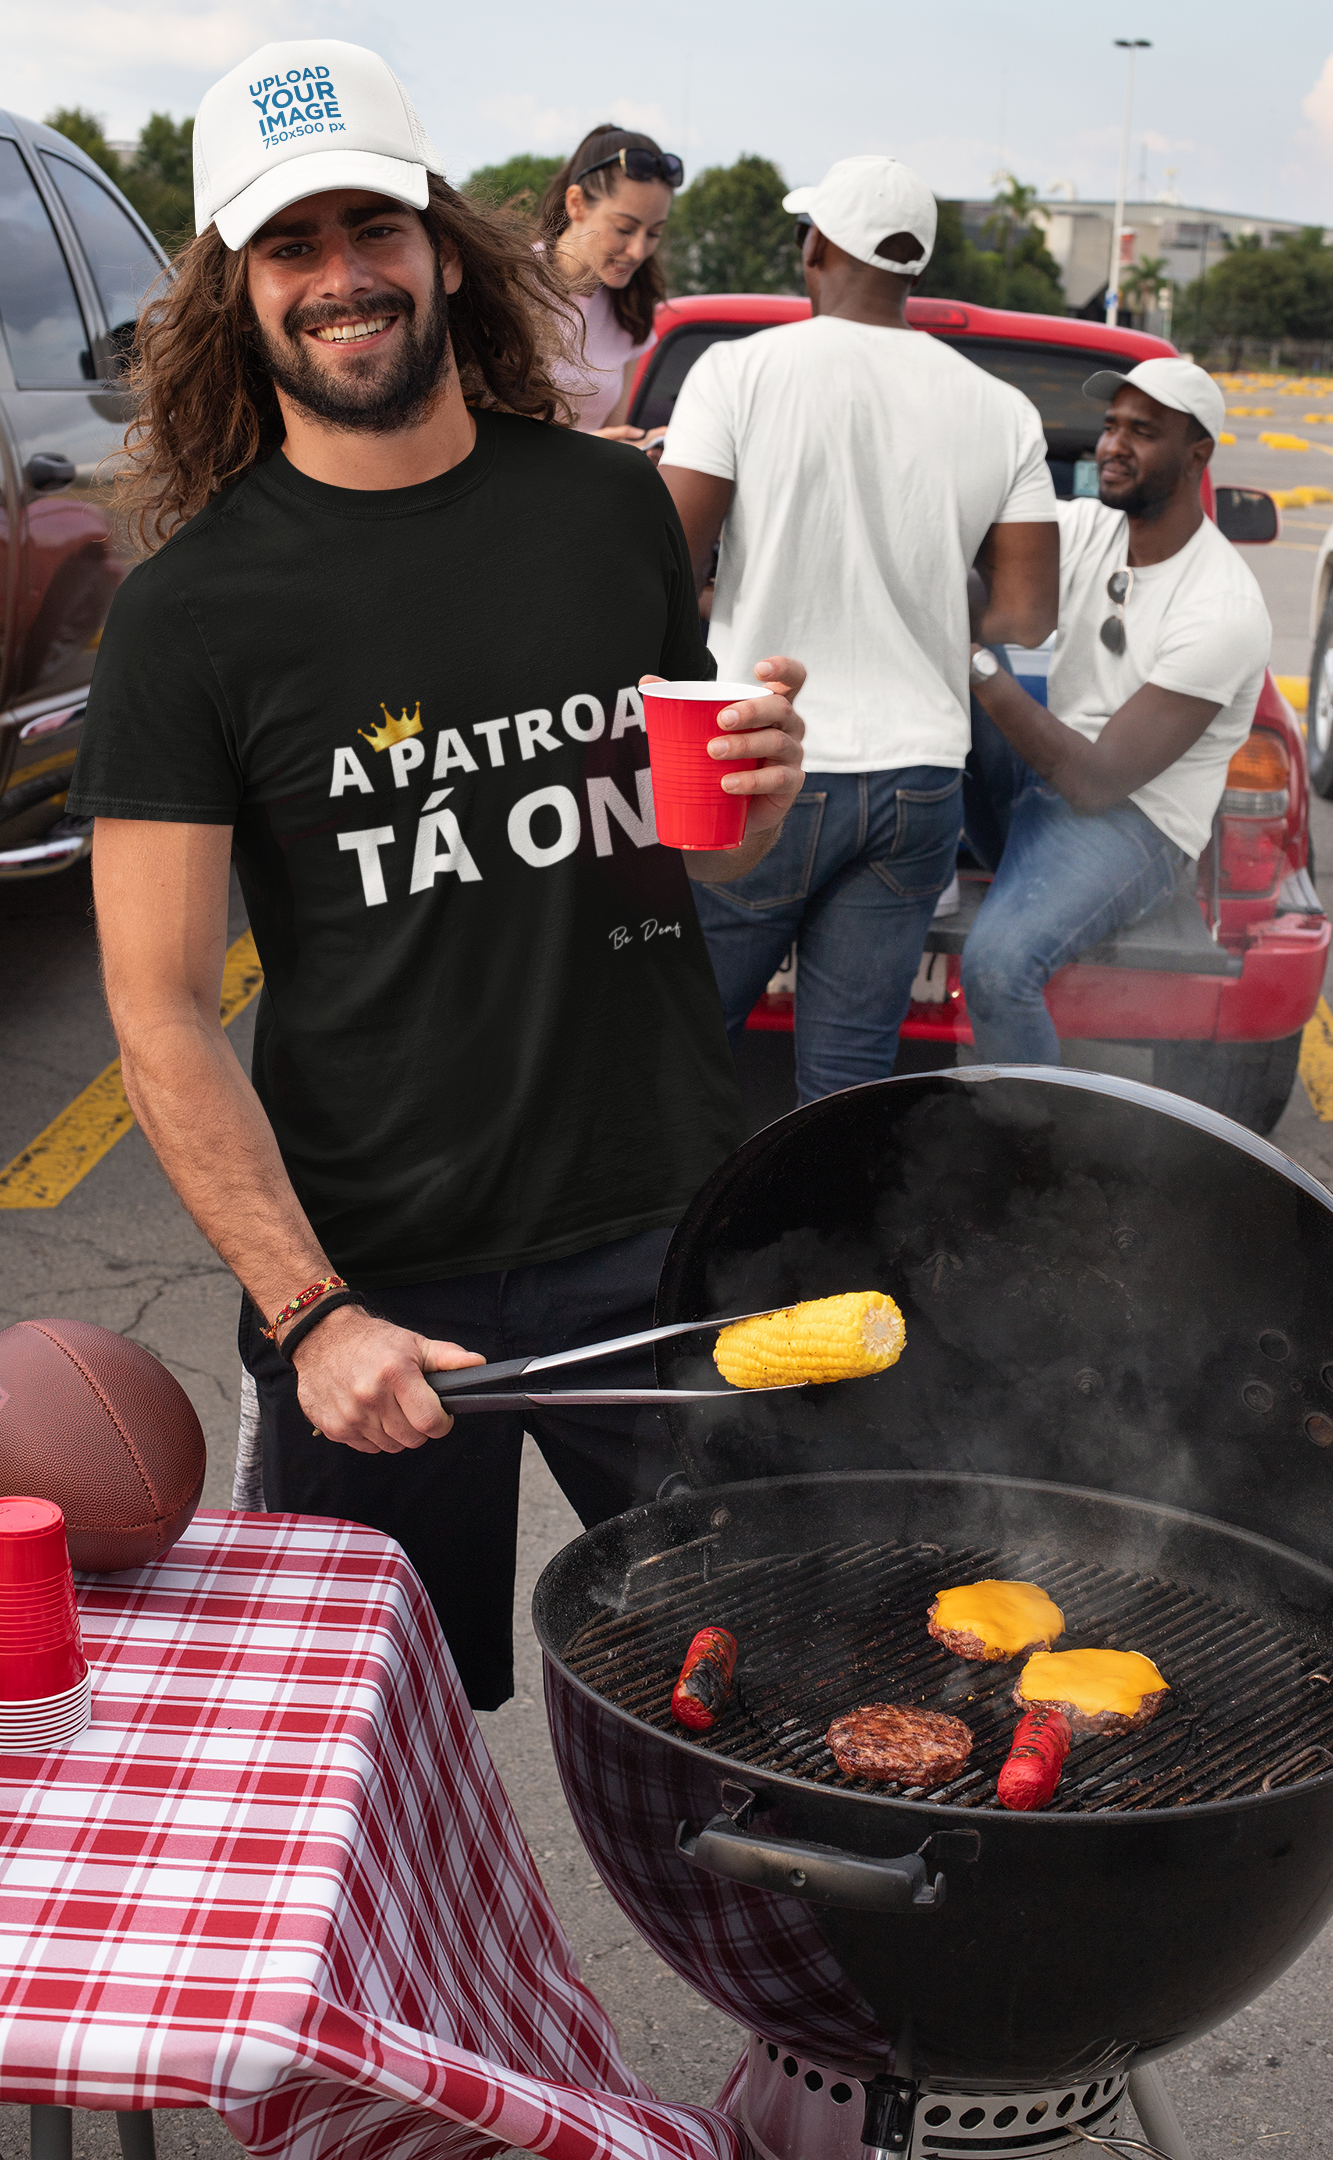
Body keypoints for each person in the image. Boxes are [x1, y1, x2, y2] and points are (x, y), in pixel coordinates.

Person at [66, 38, 804, 1712]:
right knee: (363, 1742)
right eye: (289, 247)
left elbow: (697, 843)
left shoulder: (612, 515)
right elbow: (159, 1013)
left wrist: (758, 797)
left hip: (664, 1234)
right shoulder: (191, 617)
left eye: (369, 229)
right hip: (377, 1280)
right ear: (236, 291)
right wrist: (309, 1309)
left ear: (442, 245)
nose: (340, 279)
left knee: (753, 1691)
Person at [659, 156, 1058, 1105]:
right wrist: (916, 595)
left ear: (820, 248)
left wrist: (723, 601)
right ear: (911, 267)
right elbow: (1026, 614)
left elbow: (664, 562)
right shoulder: (1001, 410)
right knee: (847, 1082)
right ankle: (822, 1252)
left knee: (679, 1045)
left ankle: (662, 1248)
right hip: (922, 781)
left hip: (768, 769)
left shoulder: (740, 372)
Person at [960, 357, 1272, 1064]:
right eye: (1109, 427)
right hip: (1040, 790)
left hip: (1132, 824)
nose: (1112, 446)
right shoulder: (1087, 529)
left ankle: (1025, 1159)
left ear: (1197, 455)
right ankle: (892, 859)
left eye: (1142, 431)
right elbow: (972, 552)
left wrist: (972, 659)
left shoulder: (1221, 608)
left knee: (999, 970)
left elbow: (1098, 782)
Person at [538, 125, 682, 444]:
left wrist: (636, 448)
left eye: (655, 233)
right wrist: (585, 451)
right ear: (576, 203)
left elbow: (610, 437)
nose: (639, 251)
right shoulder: (507, 284)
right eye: (624, 228)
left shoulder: (630, 311)